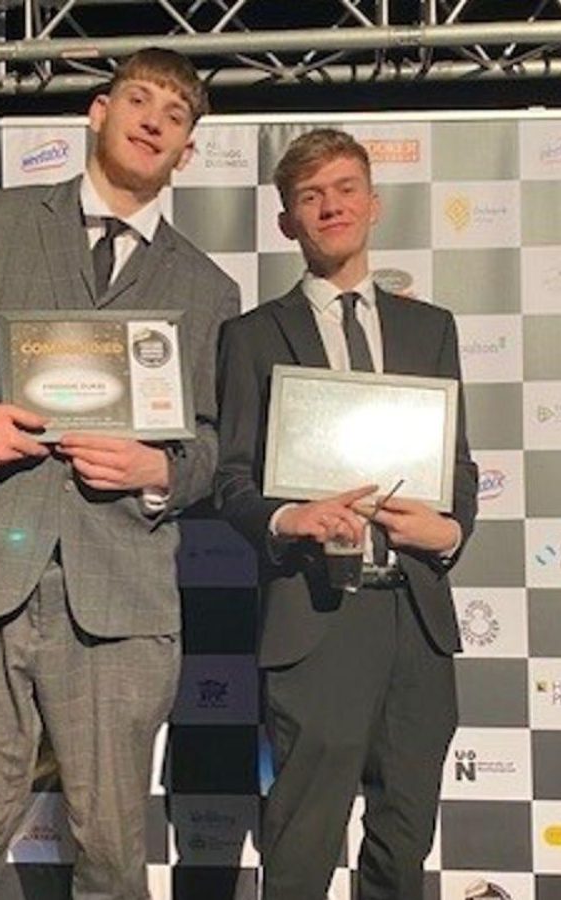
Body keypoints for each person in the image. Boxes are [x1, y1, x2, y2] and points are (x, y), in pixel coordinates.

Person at [0, 47, 240, 900]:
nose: (154, 118)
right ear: (98, 111)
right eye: (139, 98)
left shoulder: (209, 288)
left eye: (176, 113)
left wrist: (157, 468)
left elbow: (209, 447)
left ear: (187, 152)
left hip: (119, 598)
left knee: (114, 858)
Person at [214, 128, 478, 899]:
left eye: (344, 188)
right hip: (316, 614)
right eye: (309, 196)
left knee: (405, 838)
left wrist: (453, 528)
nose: (330, 206)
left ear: (373, 203)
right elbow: (230, 482)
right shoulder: (251, 337)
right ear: (287, 221)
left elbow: (457, 467)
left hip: (417, 618)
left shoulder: (433, 328)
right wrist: (288, 519)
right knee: (302, 842)